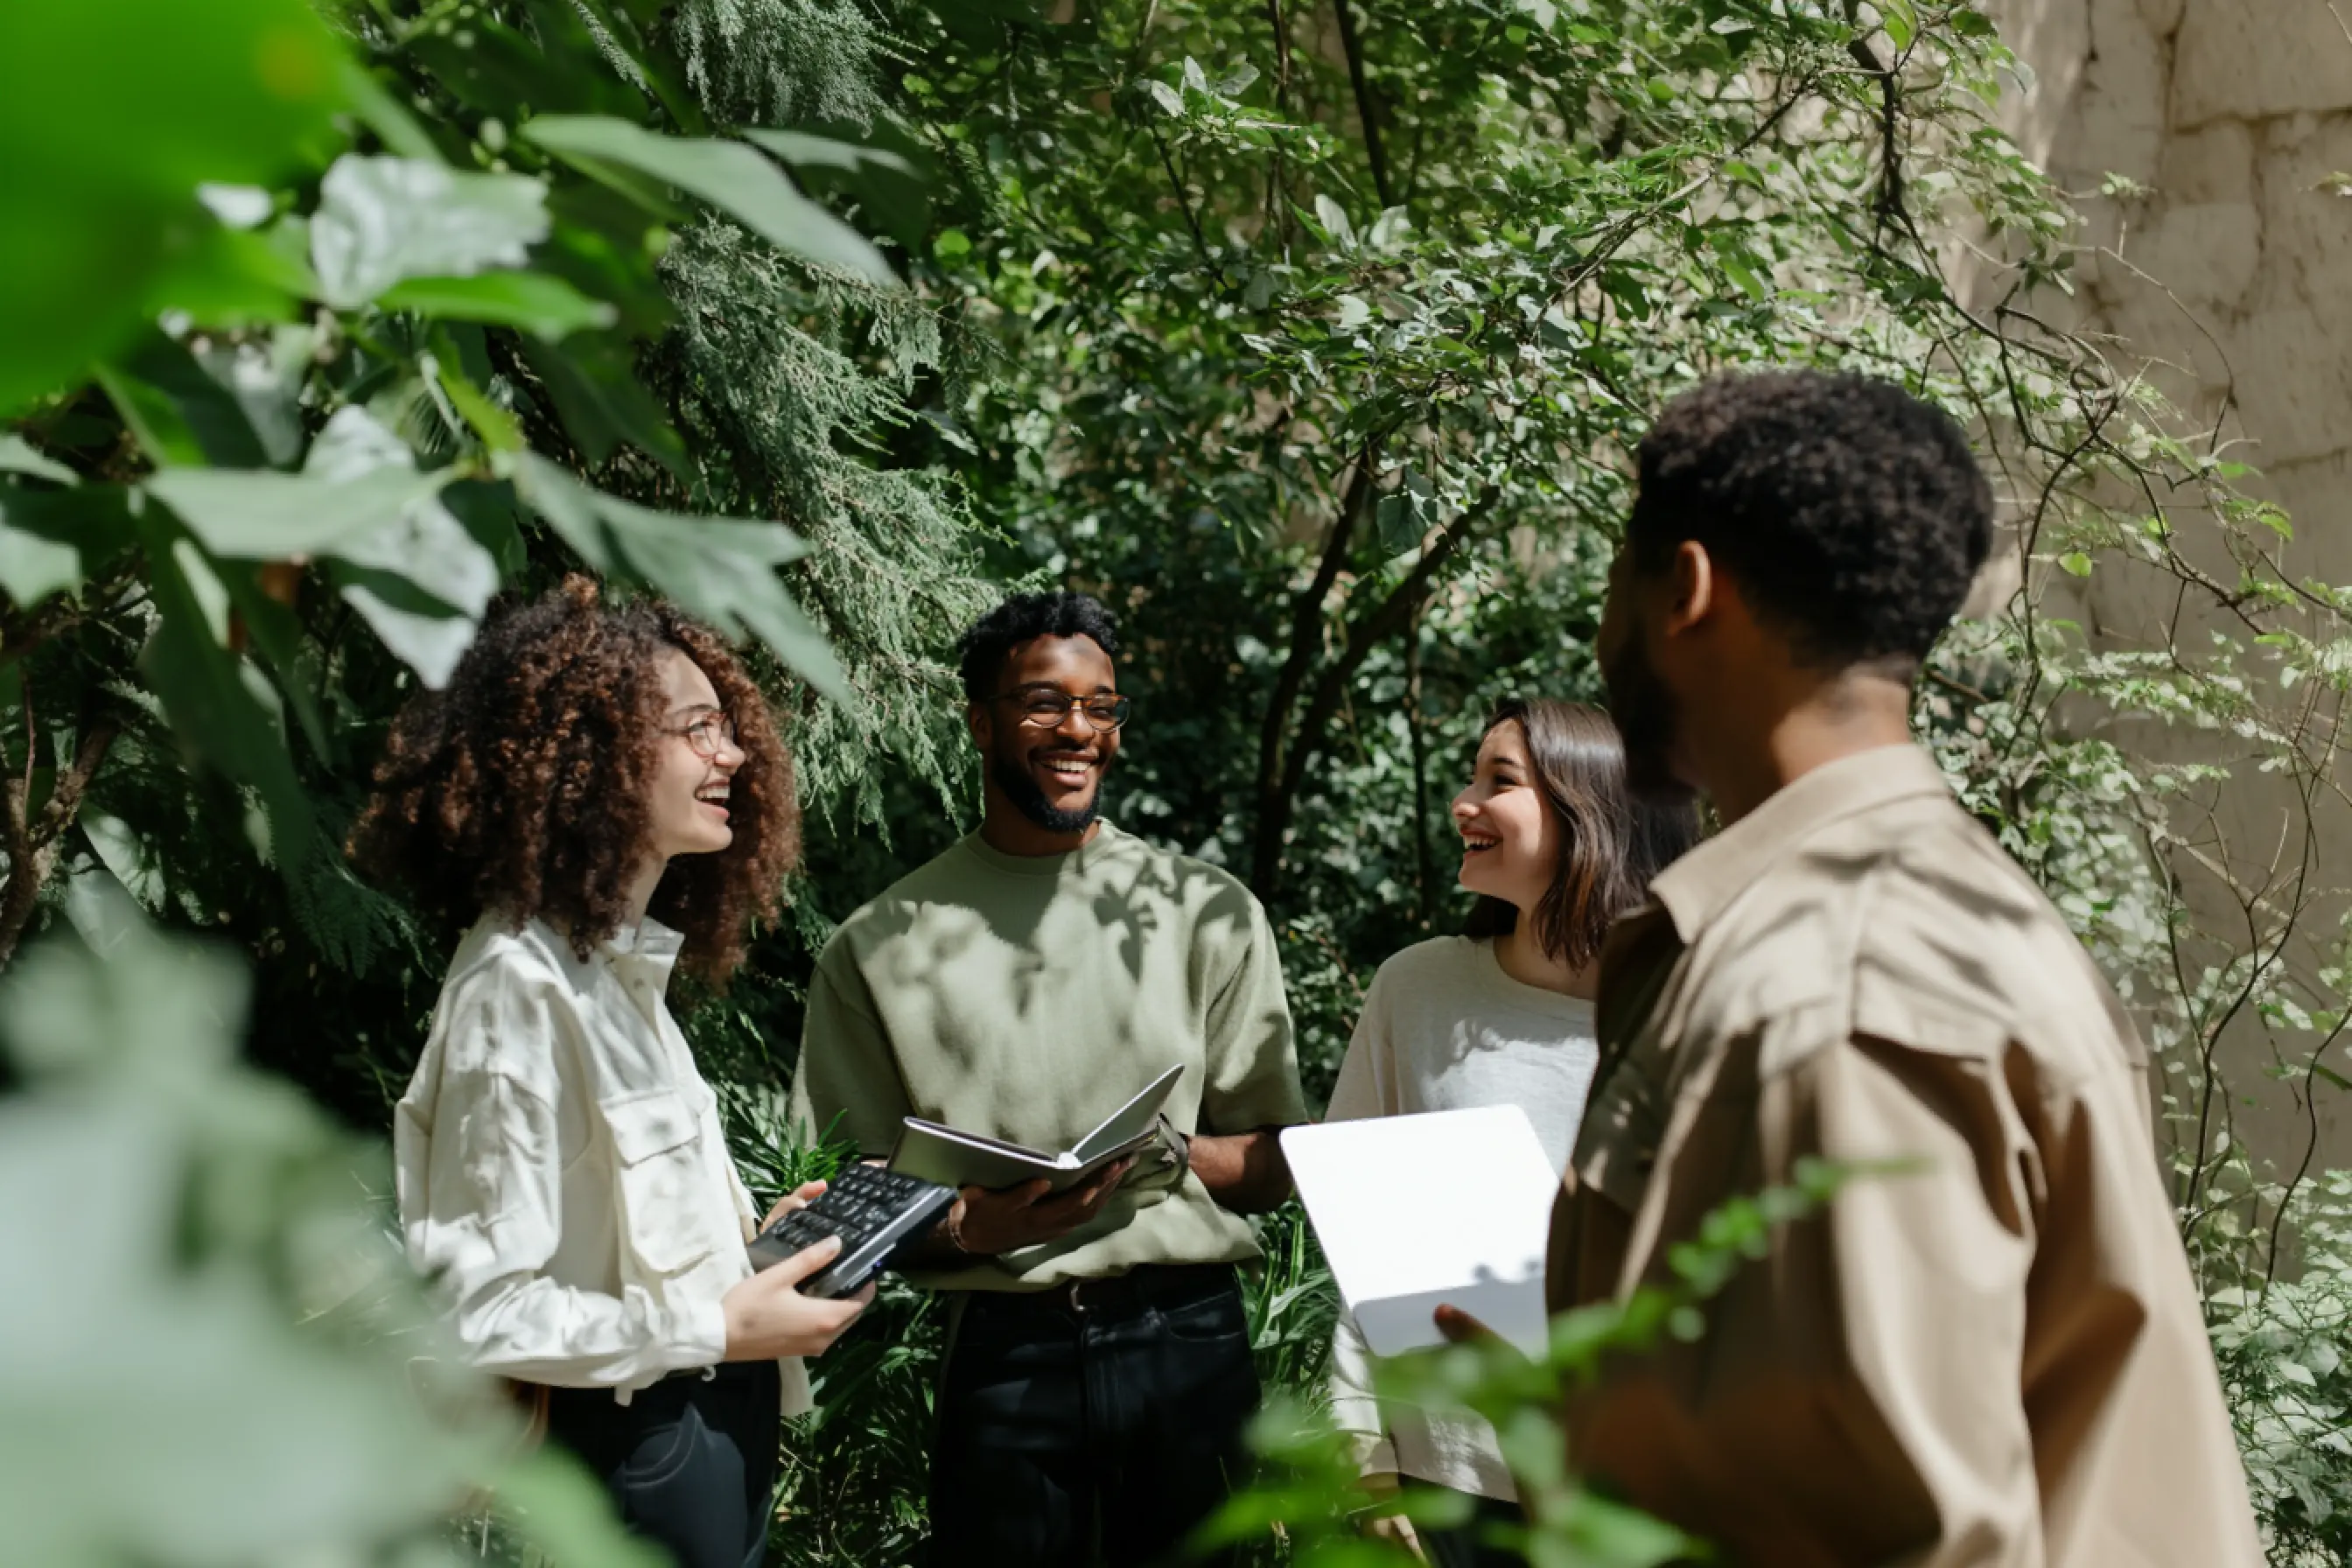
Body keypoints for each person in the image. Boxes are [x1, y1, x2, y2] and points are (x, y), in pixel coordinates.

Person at [1512, 370, 2261, 1564]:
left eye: (1618, 578)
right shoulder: (1944, 914)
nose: (1605, 630)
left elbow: (1896, 1532)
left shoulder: (1832, 989)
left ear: (1688, 589)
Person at [788, 590, 1308, 1568]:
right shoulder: (879, 944)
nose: (1079, 730)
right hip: (1004, 1349)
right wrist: (969, 1226)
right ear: (980, 720)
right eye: (1044, 703)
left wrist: (1168, 1156)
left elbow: (1276, 1158)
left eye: (1101, 706)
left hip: (1187, 1340)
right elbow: (839, 1187)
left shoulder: (1209, 913)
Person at [360, 579, 871, 1568]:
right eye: (697, 730)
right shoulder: (516, 985)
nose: (733, 757)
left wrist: (752, 1257)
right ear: (596, 756)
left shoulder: (614, 974)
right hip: (635, 1454)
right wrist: (715, 1322)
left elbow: (617, 1244)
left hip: (711, 1436)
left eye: (728, 729)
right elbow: (479, 1308)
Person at [1326, 698, 1698, 1567]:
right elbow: (1363, 1242)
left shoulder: (1684, 1011)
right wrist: (1361, 1451)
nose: (1464, 802)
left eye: (1501, 781)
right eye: (1471, 775)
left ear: (1588, 811)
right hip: (1450, 1472)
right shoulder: (1415, 991)